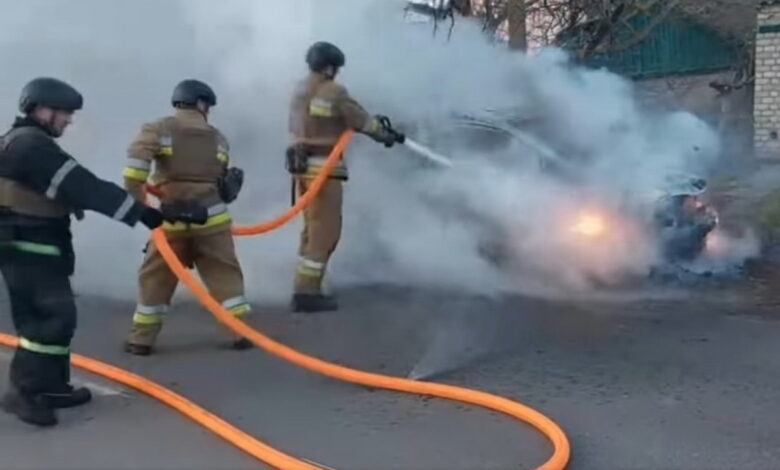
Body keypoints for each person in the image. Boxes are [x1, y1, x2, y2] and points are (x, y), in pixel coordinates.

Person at [0, 77, 175, 427]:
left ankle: (50, 385)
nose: (68, 121)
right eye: (63, 113)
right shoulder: (30, 147)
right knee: (50, 318)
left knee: (50, 318)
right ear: (40, 109)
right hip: (28, 245)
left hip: (35, 243)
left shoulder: (26, 142)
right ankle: (26, 392)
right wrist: (141, 212)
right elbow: (84, 187)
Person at [122, 79, 251, 356]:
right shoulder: (219, 138)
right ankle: (240, 332)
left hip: (171, 221)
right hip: (213, 221)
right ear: (202, 104)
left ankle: (141, 340)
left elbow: (135, 165)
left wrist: (139, 201)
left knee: (155, 278)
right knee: (224, 276)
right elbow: (221, 183)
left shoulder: (159, 129)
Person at [287, 41, 405, 313]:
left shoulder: (300, 90)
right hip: (325, 169)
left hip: (302, 168)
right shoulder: (334, 91)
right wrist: (388, 135)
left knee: (311, 228)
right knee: (326, 230)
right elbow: (362, 121)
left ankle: (305, 284)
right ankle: (307, 293)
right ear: (330, 67)